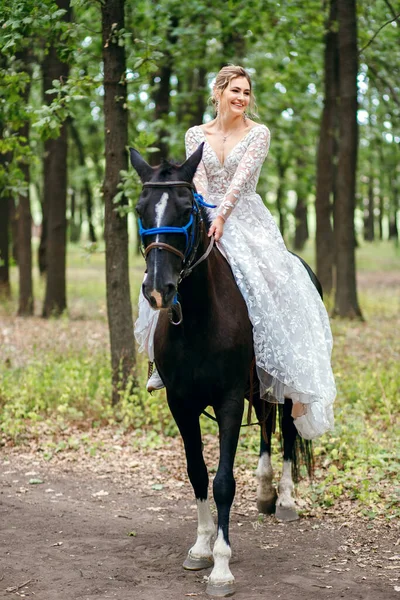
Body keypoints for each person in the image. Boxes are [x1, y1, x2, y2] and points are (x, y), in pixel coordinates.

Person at [135, 65, 336, 440]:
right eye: (235, 91)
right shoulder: (196, 134)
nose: (242, 98)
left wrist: (223, 216)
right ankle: (160, 363)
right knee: (165, 269)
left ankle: (287, 374)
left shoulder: (258, 134)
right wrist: (205, 217)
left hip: (244, 218)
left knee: (279, 280)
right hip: (203, 215)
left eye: (246, 92)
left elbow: (242, 180)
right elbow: (198, 181)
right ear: (219, 92)